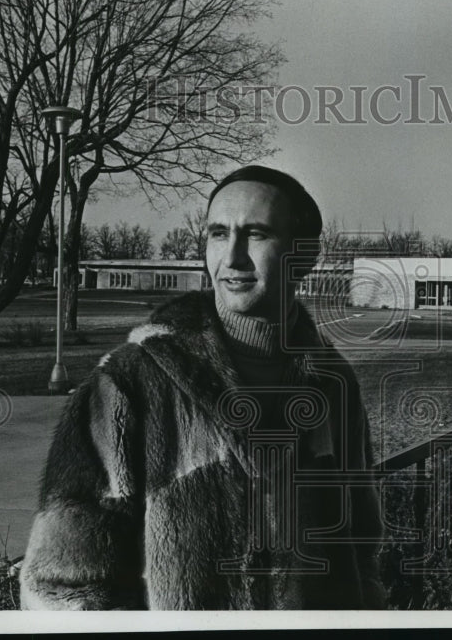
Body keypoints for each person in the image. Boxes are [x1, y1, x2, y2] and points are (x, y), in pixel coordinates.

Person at [20, 166, 385, 610]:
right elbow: (64, 589)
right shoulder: (129, 384)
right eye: (218, 234)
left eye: (255, 234)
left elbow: (360, 547)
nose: (232, 257)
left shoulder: (333, 384)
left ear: (304, 254)